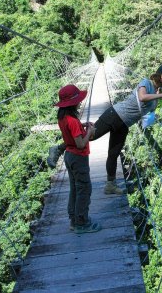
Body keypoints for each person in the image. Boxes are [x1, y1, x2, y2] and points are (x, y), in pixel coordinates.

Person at [47, 64, 162, 195]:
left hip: (125, 124)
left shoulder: (156, 91)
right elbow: (142, 97)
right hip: (115, 114)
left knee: (114, 154)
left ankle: (110, 185)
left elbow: (149, 110)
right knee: (90, 136)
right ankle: (58, 149)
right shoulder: (146, 83)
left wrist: (159, 94)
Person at [55, 84, 101, 234]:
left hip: (69, 155)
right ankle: (82, 223)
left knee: (75, 188)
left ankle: (74, 220)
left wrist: (82, 126)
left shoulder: (63, 118)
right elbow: (81, 144)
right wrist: (89, 131)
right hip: (78, 157)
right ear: (73, 103)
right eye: (78, 100)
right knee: (84, 189)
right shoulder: (73, 121)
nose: (80, 102)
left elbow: (71, 131)